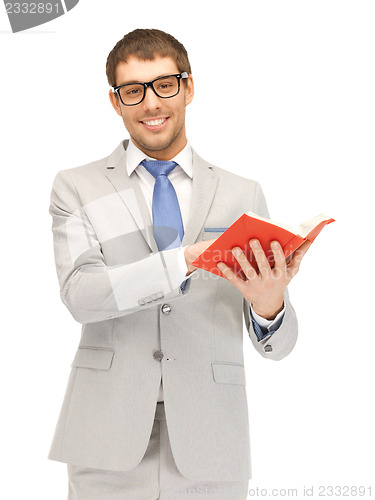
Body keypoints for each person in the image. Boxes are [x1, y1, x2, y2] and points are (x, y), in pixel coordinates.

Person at [48, 28, 311, 500]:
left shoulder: (242, 194)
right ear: (116, 102)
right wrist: (183, 261)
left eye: (165, 85)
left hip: (212, 442)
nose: (151, 103)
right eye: (133, 91)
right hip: (104, 439)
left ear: (189, 87)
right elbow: (81, 296)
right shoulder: (76, 187)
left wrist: (270, 308)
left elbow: (280, 347)